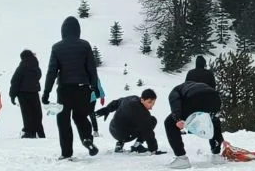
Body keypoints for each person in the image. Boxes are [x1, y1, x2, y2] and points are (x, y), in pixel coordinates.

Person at [41, 16, 101, 159]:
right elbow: (92, 69)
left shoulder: (57, 47)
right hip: (83, 88)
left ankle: (66, 153)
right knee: (80, 116)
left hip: (64, 89)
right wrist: (95, 87)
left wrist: (46, 92)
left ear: (63, 31)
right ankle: (87, 139)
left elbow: (52, 72)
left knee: (63, 121)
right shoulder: (85, 45)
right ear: (78, 30)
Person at [165, 80, 223, 168]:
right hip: (215, 98)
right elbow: (215, 122)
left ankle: (181, 159)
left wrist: (178, 119)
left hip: (194, 99)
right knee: (213, 120)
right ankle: (217, 155)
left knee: (169, 123)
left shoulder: (176, 90)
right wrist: (220, 138)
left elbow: (175, 101)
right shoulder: (201, 84)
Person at [104, 89, 163, 154]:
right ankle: (137, 146)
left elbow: (117, 102)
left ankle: (119, 144)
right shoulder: (142, 113)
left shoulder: (132, 98)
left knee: (130, 121)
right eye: (149, 102)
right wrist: (153, 149)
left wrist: (106, 110)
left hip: (113, 129)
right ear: (142, 100)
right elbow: (148, 131)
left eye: (153, 103)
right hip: (125, 135)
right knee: (152, 120)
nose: (151, 106)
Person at [10, 49, 45, 139]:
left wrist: (12, 95)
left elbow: (15, 81)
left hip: (23, 93)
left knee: (27, 113)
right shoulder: (36, 66)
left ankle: (29, 132)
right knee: (37, 112)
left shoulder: (22, 66)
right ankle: (40, 132)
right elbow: (39, 75)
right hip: (34, 92)